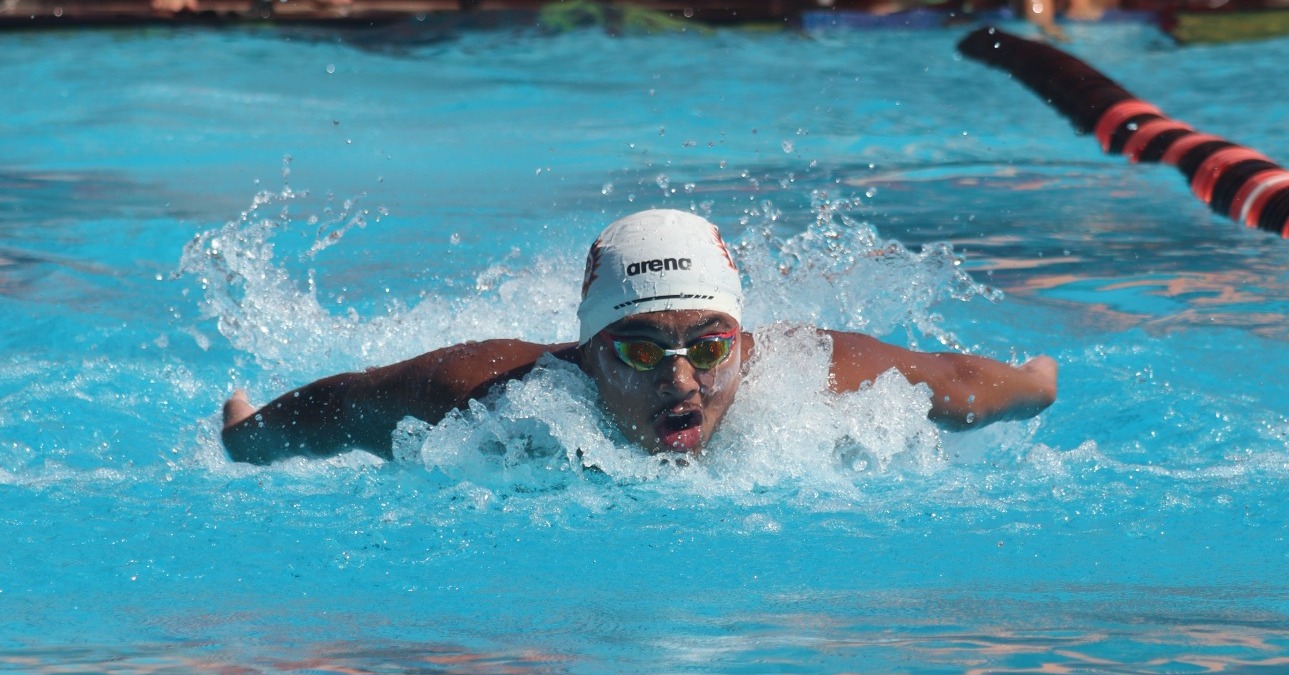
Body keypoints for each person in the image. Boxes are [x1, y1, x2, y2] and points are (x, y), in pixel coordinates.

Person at [221, 209, 1057, 465]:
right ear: (586, 353)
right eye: (640, 350)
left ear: (741, 335)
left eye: (709, 345)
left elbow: (962, 383)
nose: (683, 380)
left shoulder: (819, 376)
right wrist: (245, 435)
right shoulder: (481, 397)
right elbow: (338, 407)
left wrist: (1037, 381)